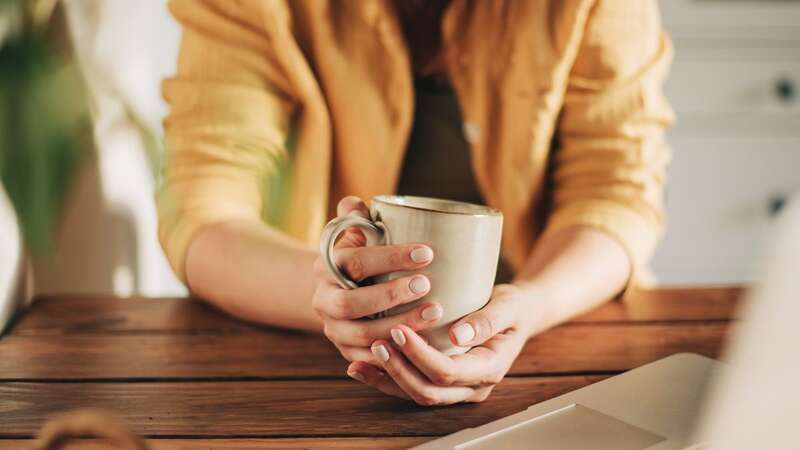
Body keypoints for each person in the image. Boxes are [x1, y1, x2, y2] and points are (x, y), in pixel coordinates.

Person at [158, 0, 674, 405]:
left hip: (556, 329)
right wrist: (335, 296)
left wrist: (533, 305)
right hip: (306, 355)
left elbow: (614, 191)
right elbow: (203, 208)